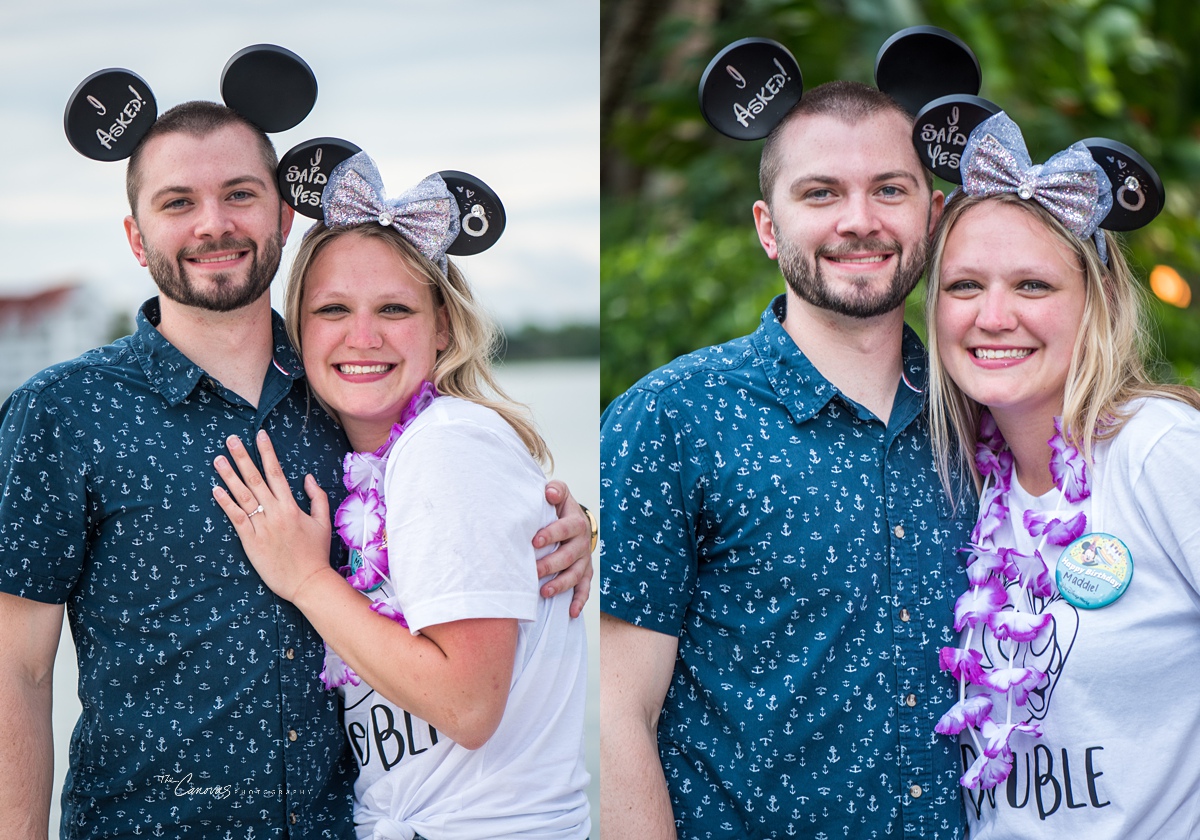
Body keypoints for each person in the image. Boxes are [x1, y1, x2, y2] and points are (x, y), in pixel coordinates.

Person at [0, 103, 593, 839]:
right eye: (178, 202)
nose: (213, 224)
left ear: (283, 217)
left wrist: (560, 527)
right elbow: (16, 674)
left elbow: (461, 503)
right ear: (135, 234)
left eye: (241, 194)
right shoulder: (63, 412)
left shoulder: (346, 392)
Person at [601, 80, 975, 840]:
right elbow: (614, 709)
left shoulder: (983, 413)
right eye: (821, 193)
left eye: (890, 190)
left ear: (932, 218)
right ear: (769, 228)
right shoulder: (673, 417)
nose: (859, 221)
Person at [211, 151, 590, 839]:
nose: (363, 337)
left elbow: (469, 707)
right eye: (332, 309)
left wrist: (306, 579)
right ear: (297, 329)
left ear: (443, 325)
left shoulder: (448, 445)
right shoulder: (375, 453)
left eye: (394, 308)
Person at [923, 113, 1200, 839]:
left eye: (1033, 285)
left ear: (1096, 302)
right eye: (963, 285)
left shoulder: (1158, 451)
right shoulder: (964, 481)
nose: (993, 315)